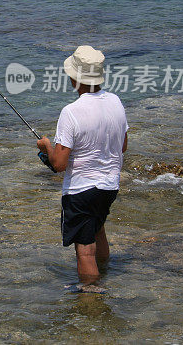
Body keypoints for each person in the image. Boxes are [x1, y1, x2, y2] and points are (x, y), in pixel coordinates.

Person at [36, 45, 128, 291]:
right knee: (98, 231)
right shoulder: (116, 102)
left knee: (85, 251)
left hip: (81, 191)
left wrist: (46, 146)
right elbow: (123, 146)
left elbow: (59, 164)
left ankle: (91, 297)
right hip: (109, 186)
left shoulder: (71, 112)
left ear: (75, 78)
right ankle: (105, 273)